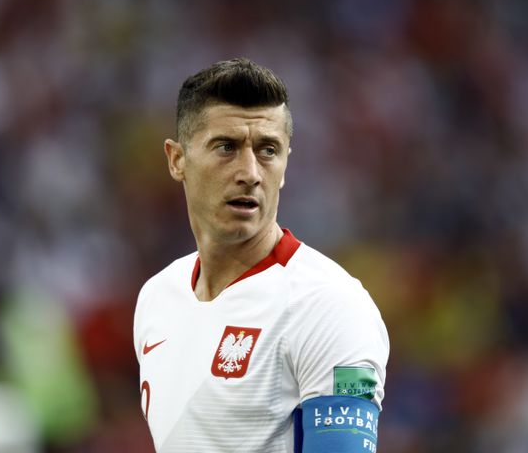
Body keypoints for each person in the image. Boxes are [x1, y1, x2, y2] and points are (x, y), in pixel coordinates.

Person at [133, 58, 389, 452]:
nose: (250, 172)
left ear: (285, 165)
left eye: (268, 150)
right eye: (226, 147)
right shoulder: (157, 298)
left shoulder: (329, 305)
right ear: (177, 159)